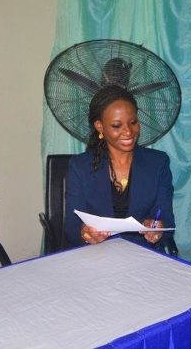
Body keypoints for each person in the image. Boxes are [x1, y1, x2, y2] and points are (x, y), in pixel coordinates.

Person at [64, 84, 175, 248]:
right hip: (96, 254)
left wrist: (158, 229)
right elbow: (72, 226)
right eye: (117, 125)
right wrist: (85, 232)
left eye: (133, 122)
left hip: (143, 255)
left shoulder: (158, 163)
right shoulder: (79, 167)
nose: (129, 132)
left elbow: (166, 219)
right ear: (100, 126)